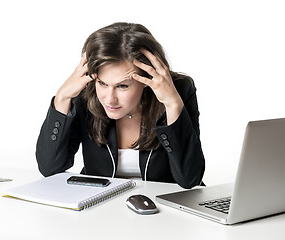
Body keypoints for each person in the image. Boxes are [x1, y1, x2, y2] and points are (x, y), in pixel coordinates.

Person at [36, 22, 205, 189]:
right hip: (101, 205)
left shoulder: (178, 91)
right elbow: (50, 168)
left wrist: (172, 104)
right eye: (102, 83)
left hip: (162, 207)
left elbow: (189, 179)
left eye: (122, 86)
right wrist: (62, 98)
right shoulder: (86, 94)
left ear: (147, 79)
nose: (110, 99)